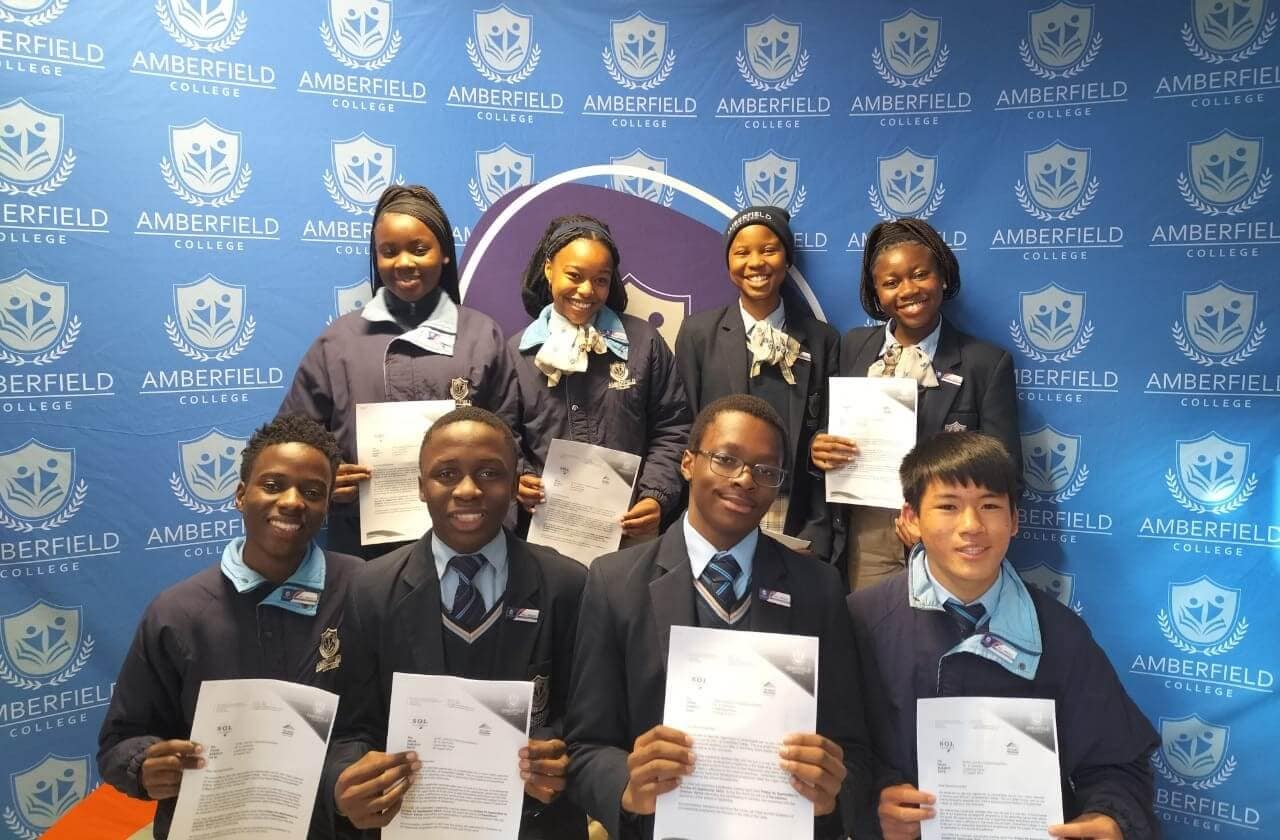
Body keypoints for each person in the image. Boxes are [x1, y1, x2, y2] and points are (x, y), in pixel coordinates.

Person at [564, 394, 878, 840]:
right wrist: (628, 786)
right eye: (726, 459)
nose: (745, 479)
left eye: (766, 470)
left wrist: (834, 795)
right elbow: (585, 748)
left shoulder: (818, 588)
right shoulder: (615, 583)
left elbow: (854, 750)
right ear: (688, 462)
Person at [848, 432, 1157, 840]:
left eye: (990, 506)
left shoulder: (1060, 633)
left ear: (1014, 520)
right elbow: (838, 753)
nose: (972, 526)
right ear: (911, 518)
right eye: (948, 506)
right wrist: (871, 807)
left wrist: (1110, 818)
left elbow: (1118, 763)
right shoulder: (862, 620)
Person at [323, 406, 587, 840]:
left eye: (489, 473)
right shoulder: (370, 589)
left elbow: (590, 721)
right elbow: (352, 727)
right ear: (420, 487)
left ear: (514, 484)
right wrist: (345, 778)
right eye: (446, 474)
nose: (467, 490)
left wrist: (561, 757)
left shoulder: (568, 585)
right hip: (415, 822)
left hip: (536, 825)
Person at [97, 415, 360, 840]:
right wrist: (144, 766)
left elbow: (374, 719)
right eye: (273, 485)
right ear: (240, 495)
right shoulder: (176, 612)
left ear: (328, 505)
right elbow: (118, 741)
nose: (292, 502)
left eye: (312, 492)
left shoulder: (361, 589)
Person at [280, 184, 517, 558]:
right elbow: (289, 445)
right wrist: (322, 478)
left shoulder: (482, 336)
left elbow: (510, 434)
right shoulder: (337, 343)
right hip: (364, 549)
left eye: (419, 249)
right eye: (389, 252)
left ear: (444, 254)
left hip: (471, 542)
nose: (404, 262)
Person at [810, 218, 1021, 590]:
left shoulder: (986, 363)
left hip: (948, 533)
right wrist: (820, 447)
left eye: (920, 275)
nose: (908, 290)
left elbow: (1007, 470)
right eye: (891, 282)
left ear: (942, 277)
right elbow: (831, 427)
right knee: (870, 622)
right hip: (868, 532)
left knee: (940, 625)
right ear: (876, 293)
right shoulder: (853, 346)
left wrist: (942, 517)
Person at [510, 214, 690, 540]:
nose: (586, 290)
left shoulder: (645, 344)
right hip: (544, 534)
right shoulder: (517, 354)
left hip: (626, 534)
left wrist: (656, 495)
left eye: (601, 280)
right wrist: (517, 477)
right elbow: (502, 434)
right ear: (549, 269)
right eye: (574, 275)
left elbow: (673, 428)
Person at [675, 206, 839, 557]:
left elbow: (829, 424)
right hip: (720, 497)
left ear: (787, 259)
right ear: (728, 262)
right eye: (742, 252)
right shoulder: (698, 333)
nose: (755, 263)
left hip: (789, 506)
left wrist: (822, 442)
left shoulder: (822, 339)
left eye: (768, 250)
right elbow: (684, 422)